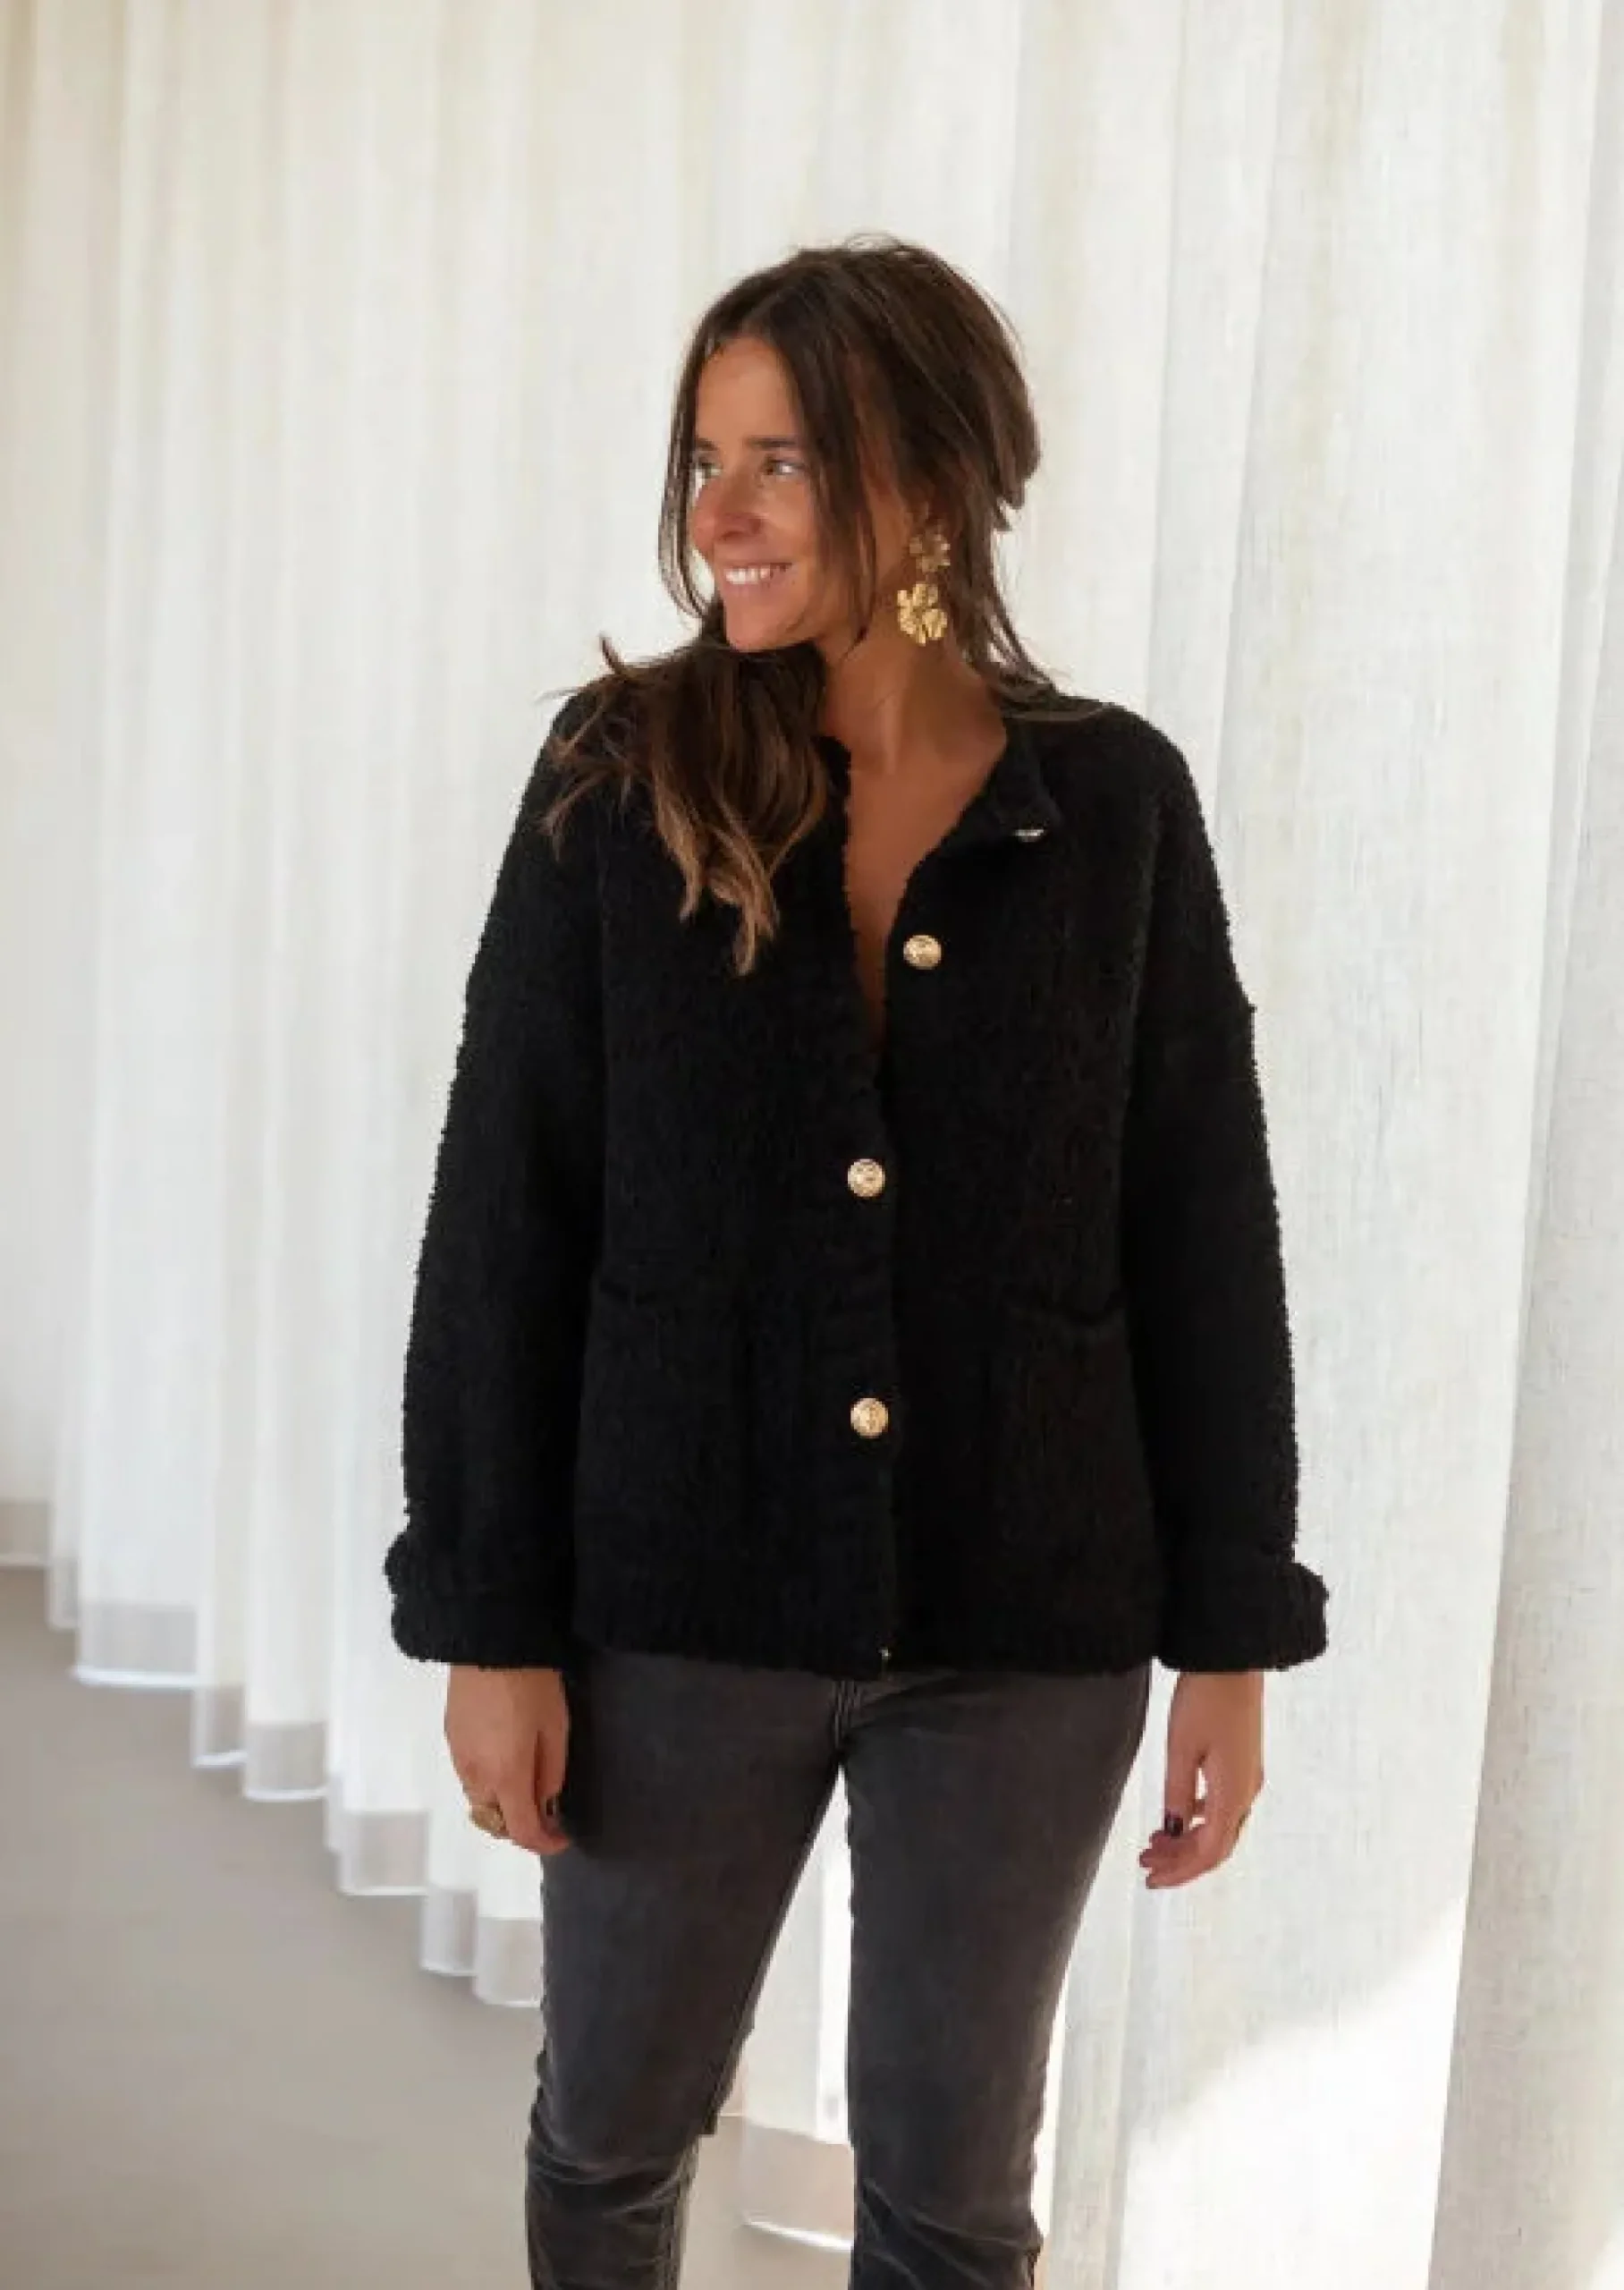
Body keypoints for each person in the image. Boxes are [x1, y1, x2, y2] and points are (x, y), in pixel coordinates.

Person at [384, 233, 1329, 2290]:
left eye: (779, 462)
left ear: (923, 481)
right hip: (672, 1593)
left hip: (1025, 1615)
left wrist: (1230, 1634)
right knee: (611, 2125)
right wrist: (485, 1615)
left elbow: (1201, 1226)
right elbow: (505, 1210)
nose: (716, 514)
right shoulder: (618, 778)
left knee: (950, 2193)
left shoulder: (1111, 806)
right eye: (703, 459)